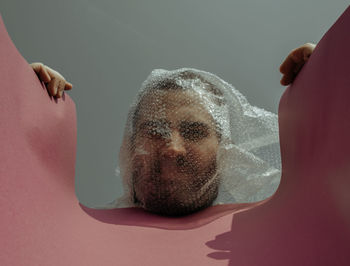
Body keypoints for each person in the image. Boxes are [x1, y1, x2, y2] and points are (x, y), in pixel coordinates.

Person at [31, 43, 316, 216]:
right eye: (155, 131)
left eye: (194, 132)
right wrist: (19, 98)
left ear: (225, 148)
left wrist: (333, 75)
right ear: (129, 148)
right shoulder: (75, 232)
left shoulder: (273, 232)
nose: (172, 149)